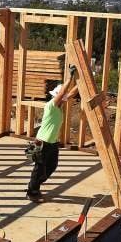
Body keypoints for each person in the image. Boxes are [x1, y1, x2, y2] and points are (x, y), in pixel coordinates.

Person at [26, 69, 79, 202]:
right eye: (61, 96)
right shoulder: (51, 106)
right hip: (43, 142)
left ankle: (36, 185)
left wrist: (81, 82)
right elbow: (62, 94)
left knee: (51, 166)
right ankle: (32, 192)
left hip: (53, 143)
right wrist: (70, 77)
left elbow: (70, 94)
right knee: (39, 169)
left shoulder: (59, 106)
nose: (64, 98)